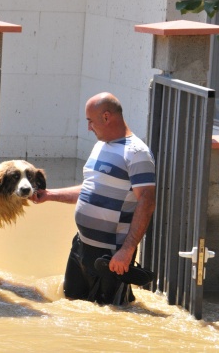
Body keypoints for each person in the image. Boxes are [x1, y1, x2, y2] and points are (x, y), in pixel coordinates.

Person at [32, 92, 156, 305]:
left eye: (90, 121)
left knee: (110, 316)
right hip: (81, 246)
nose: (88, 127)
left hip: (111, 256)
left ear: (106, 117)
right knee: (70, 305)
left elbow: (147, 201)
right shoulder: (101, 146)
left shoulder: (137, 153)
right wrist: (49, 195)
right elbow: (89, 189)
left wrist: (126, 251)